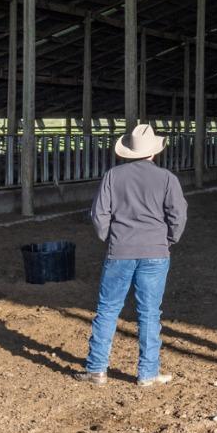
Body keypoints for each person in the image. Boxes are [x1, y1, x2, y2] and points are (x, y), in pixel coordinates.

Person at [75, 123, 187, 387]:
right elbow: (178, 215)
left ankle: (97, 369)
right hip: (155, 251)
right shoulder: (167, 178)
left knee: (107, 309)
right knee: (149, 312)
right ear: (154, 151)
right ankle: (148, 373)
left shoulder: (113, 176)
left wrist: (110, 237)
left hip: (120, 250)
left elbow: (99, 214)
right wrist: (168, 240)